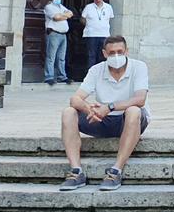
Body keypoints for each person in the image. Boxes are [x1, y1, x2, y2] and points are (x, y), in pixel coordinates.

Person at [59, 36, 149, 192]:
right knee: (68, 112)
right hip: (101, 120)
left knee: (134, 110)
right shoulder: (96, 70)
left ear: (126, 51)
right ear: (104, 54)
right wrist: (88, 109)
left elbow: (140, 99)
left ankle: (116, 171)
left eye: (120, 52)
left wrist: (110, 107)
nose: (116, 56)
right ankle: (76, 171)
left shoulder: (139, 67)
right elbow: (75, 98)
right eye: (112, 52)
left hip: (127, 120)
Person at [43, 0, 75, 86]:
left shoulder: (61, 7)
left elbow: (71, 13)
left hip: (63, 35)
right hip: (53, 34)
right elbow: (56, 17)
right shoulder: (49, 7)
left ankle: (62, 76)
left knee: (61, 57)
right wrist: (65, 16)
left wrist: (63, 15)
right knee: (51, 56)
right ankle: (49, 77)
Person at [81, 0, 114, 68]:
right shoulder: (88, 7)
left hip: (104, 34)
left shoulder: (108, 7)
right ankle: (91, 74)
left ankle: (101, 74)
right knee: (91, 55)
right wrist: (89, 25)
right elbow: (82, 19)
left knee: (103, 55)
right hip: (91, 35)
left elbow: (110, 18)